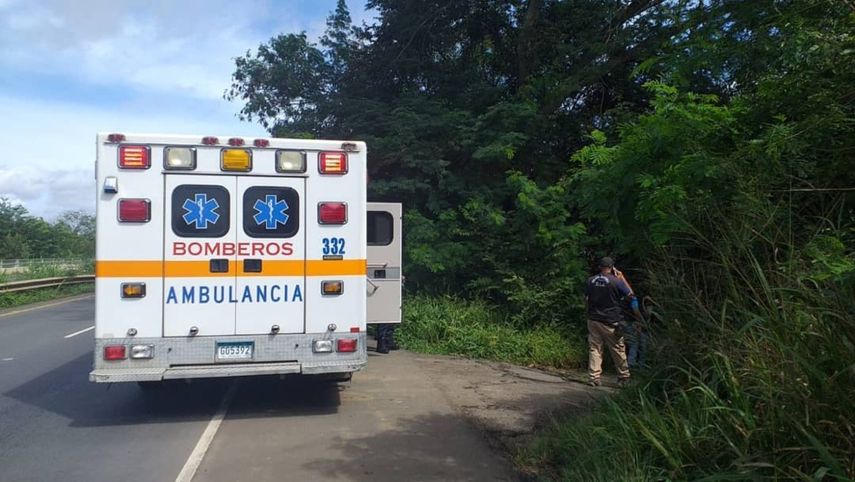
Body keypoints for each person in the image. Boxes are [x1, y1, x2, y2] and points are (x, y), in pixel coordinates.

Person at [585, 257, 641, 387]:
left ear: (600, 267)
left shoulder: (590, 281)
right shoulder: (616, 281)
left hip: (593, 319)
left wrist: (587, 314)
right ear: (612, 267)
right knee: (617, 348)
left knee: (595, 348)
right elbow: (631, 295)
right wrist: (622, 278)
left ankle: (594, 377)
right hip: (611, 320)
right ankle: (623, 377)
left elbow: (586, 300)